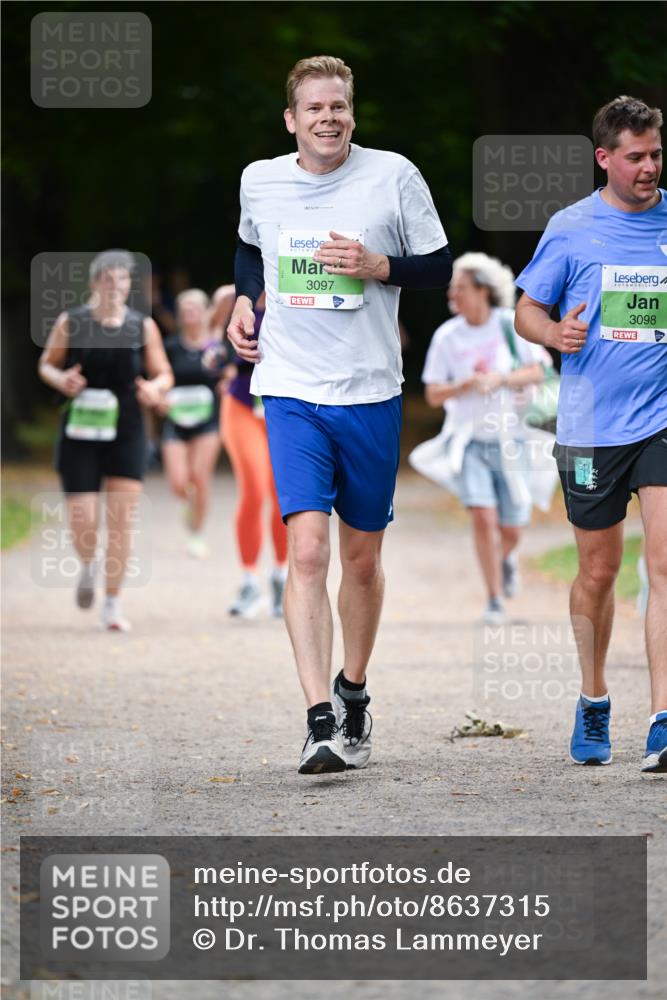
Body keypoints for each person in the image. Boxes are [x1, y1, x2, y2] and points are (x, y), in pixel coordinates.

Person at [227, 55, 451, 774]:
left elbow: (438, 265)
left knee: (360, 558)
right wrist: (240, 299)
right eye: (314, 107)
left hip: (370, 392)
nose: (329, 117)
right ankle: (317, 718)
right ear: (291, 119)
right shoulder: (260, 179)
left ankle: (352, 687)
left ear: (351, 113)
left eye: (339, 107)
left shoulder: (393, 175)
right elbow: (248, 247)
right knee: (307, 551)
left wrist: (379, 266)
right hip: (289, 387)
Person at [514, 96, 667, 773]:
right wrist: (553, 334)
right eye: (634, 156)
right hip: (590, 429)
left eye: (655, 153)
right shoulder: (571, 228)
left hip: (660, 418)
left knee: (662, 565)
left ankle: (663, 719)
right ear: (603, 157)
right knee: (597, 572)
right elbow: (526, 309)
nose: (647, 167)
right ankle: (594, 697)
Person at [38, 250, 173, 631]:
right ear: (94, 283)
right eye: (108, 279)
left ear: (130, 285)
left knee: (120, 521)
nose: (115, 286)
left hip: (127, 429)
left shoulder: (142, 327)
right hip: (80, 429)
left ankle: (112, 603)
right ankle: (88, 562)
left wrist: (154, 388)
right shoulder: (72, 321)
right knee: (83, 516)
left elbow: (163, 373)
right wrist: (60, 379)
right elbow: (47, 363)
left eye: (122, 280)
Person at [420, 253, 549, 624]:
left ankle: (506, 558)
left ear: (482, 290)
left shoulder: (509, 326)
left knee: (512, 526)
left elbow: (540, 370)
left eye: (459, 288)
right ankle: (494, 599)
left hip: (513, 440)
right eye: (452, 288)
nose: (452, 294)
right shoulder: (447, 336)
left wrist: (501, 379)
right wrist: (462, 386)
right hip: (469, 442)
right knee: (483, 517)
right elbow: (432, 393)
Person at [213, 288, 289, 618]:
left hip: (282, 404)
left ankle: (282, 576)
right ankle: (248, 581)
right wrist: (219, 364)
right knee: (255, 490)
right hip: (242, 403)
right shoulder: (232, 297)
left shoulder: (293, 292)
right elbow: (211, 340)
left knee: (283, 494)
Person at [159, 289, 227, 559]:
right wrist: (161, 397)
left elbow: (229, 371)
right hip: (176, 420)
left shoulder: (215, 346)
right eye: (185, 310)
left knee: (200, 478)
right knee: (179, 483)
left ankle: (196, 534)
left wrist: (227, 381)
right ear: (178, 316)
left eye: (195, 309)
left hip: (207, 421)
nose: (190, 315)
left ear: (204, 312)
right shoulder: (171, 347)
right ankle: (189, 504)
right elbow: (159, 376)